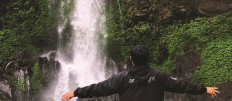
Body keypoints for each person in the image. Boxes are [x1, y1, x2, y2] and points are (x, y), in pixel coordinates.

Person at [61, 45, 220, 101]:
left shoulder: (122, 78)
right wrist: (204, 89)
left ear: (131, 59)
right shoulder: (159, 76)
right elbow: (181, 85)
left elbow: (99, 88)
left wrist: (75, 92)